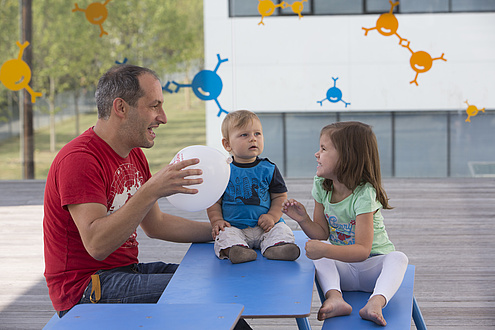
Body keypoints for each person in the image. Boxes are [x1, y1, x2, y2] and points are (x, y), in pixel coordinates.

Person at [43, 64, 213, 317]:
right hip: (84, 289)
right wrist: (150, 190)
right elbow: (97, 245)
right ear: (121, 108)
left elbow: (157, 225)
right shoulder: (79, 159)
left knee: (214, 279)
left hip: (124, 272)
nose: (164, 117)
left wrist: (222, 229)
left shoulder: (133, 154)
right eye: (154, 106)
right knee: (200, 290)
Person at [282, 121, 408, 326]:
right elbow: (321, 233)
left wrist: (323, 249)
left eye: (323, 149)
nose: (317, 154)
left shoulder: (365, 193)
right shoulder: (322, 186)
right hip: (344, 273)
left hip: (372, 270)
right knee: (319, 253)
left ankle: (375, 302)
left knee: (398, 259)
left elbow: (362, 252)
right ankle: (335, 297)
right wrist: (303, 219)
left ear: (347, 157)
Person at [207, 110, 300, 264]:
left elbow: (279, 197)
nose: (253, 139)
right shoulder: (223, 170)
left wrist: (272, 216)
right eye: (244, 135)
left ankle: (277, 248)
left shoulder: (268, 168)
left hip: (266, 227)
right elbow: (214, 200)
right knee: (224, 235)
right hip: (235, 227)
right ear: (227, 144)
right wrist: (217, 220)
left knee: (281, 230)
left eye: (257, 134)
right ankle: (236, 250)